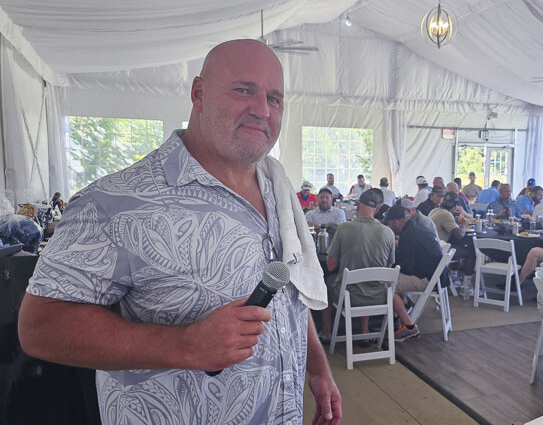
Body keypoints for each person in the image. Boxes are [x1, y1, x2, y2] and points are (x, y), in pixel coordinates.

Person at [18, 39, 341, 425]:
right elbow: (40, 326)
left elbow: (289, 287)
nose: (261, 110)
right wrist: (184, 345)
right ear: (199, 94)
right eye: (243, 90)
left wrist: (318, 367)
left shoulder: (279, 188)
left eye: (274, 98)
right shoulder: (115, 203)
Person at [321, 189, 394, 343]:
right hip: (379, 295)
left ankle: (326, 333)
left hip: (350, 296)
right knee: (368, 278)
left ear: (358, 204)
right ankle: (364, 332)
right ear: (379, 208)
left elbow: (331, 265)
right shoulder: (388, 233)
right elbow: (388, 268)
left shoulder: (345, 228)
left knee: (325, 284)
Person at [384, 205, 446, 341]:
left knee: (387, 284)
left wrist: (390, 264)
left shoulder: (408, 235)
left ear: (395, 222)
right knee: (394, 276)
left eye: (388, 223)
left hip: (427, 279)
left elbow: (407, 268)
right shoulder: (416, 227)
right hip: (436, 275)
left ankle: (409, 326)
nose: (388, 226)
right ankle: (401, 311)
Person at [429, 192, 473, 274]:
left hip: (432, 246)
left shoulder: (435, 210)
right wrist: (463, 224)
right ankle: (467, 284)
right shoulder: (446, 214)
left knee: (458, 247)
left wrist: (455, 220)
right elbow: (460, 235)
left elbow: (445, 222)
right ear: (454, 207)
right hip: (440, 248)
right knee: (470, 252)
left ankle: (453, 274)